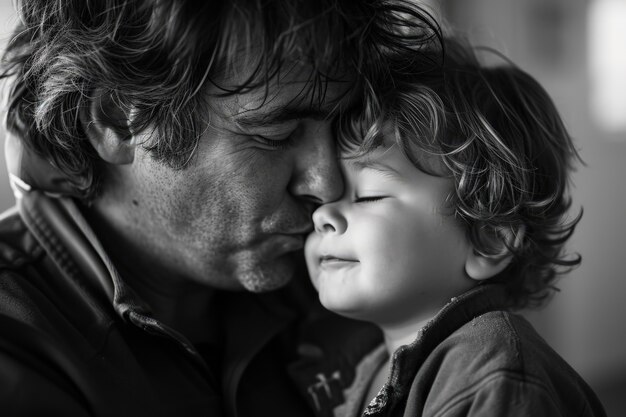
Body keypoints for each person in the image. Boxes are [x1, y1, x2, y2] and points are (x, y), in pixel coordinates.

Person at [0, 1, 442, 415]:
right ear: (119, 121)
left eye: (342, 131)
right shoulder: (17, 339)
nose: (327, 187)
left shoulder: (349, 272)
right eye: (277, 134)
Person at [303, 37, 608, 416]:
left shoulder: (495, 372)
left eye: (367, 197)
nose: (322, 216)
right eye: (317, 202)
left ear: (487, 239)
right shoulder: (366, 370)